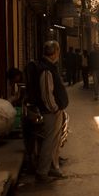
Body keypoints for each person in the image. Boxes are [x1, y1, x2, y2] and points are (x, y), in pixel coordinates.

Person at [24, 40, 69, 183]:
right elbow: (46, 94)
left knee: (54, 141)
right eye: (58, 51)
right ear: (55, 52)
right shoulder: (46, 69)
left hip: (52, 111)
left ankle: (52, 167)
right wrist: (54, 108)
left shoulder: (48, 67)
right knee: (49, 141)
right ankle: (42, 172)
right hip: (50, 112)